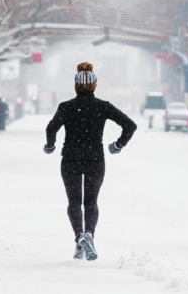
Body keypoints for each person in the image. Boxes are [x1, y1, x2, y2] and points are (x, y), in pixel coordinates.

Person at [44, 62, 137, 261]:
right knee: (91, 201)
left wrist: (50, 145)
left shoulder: (66, 107)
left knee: (74, 201)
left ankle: (79, 236)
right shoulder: (103, 106)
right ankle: (89, 235)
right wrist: (118, 145)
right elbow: (130, 125)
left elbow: (51, 129)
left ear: (75, 86)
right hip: (95, 159)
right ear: (95, 85)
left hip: (70, 158)